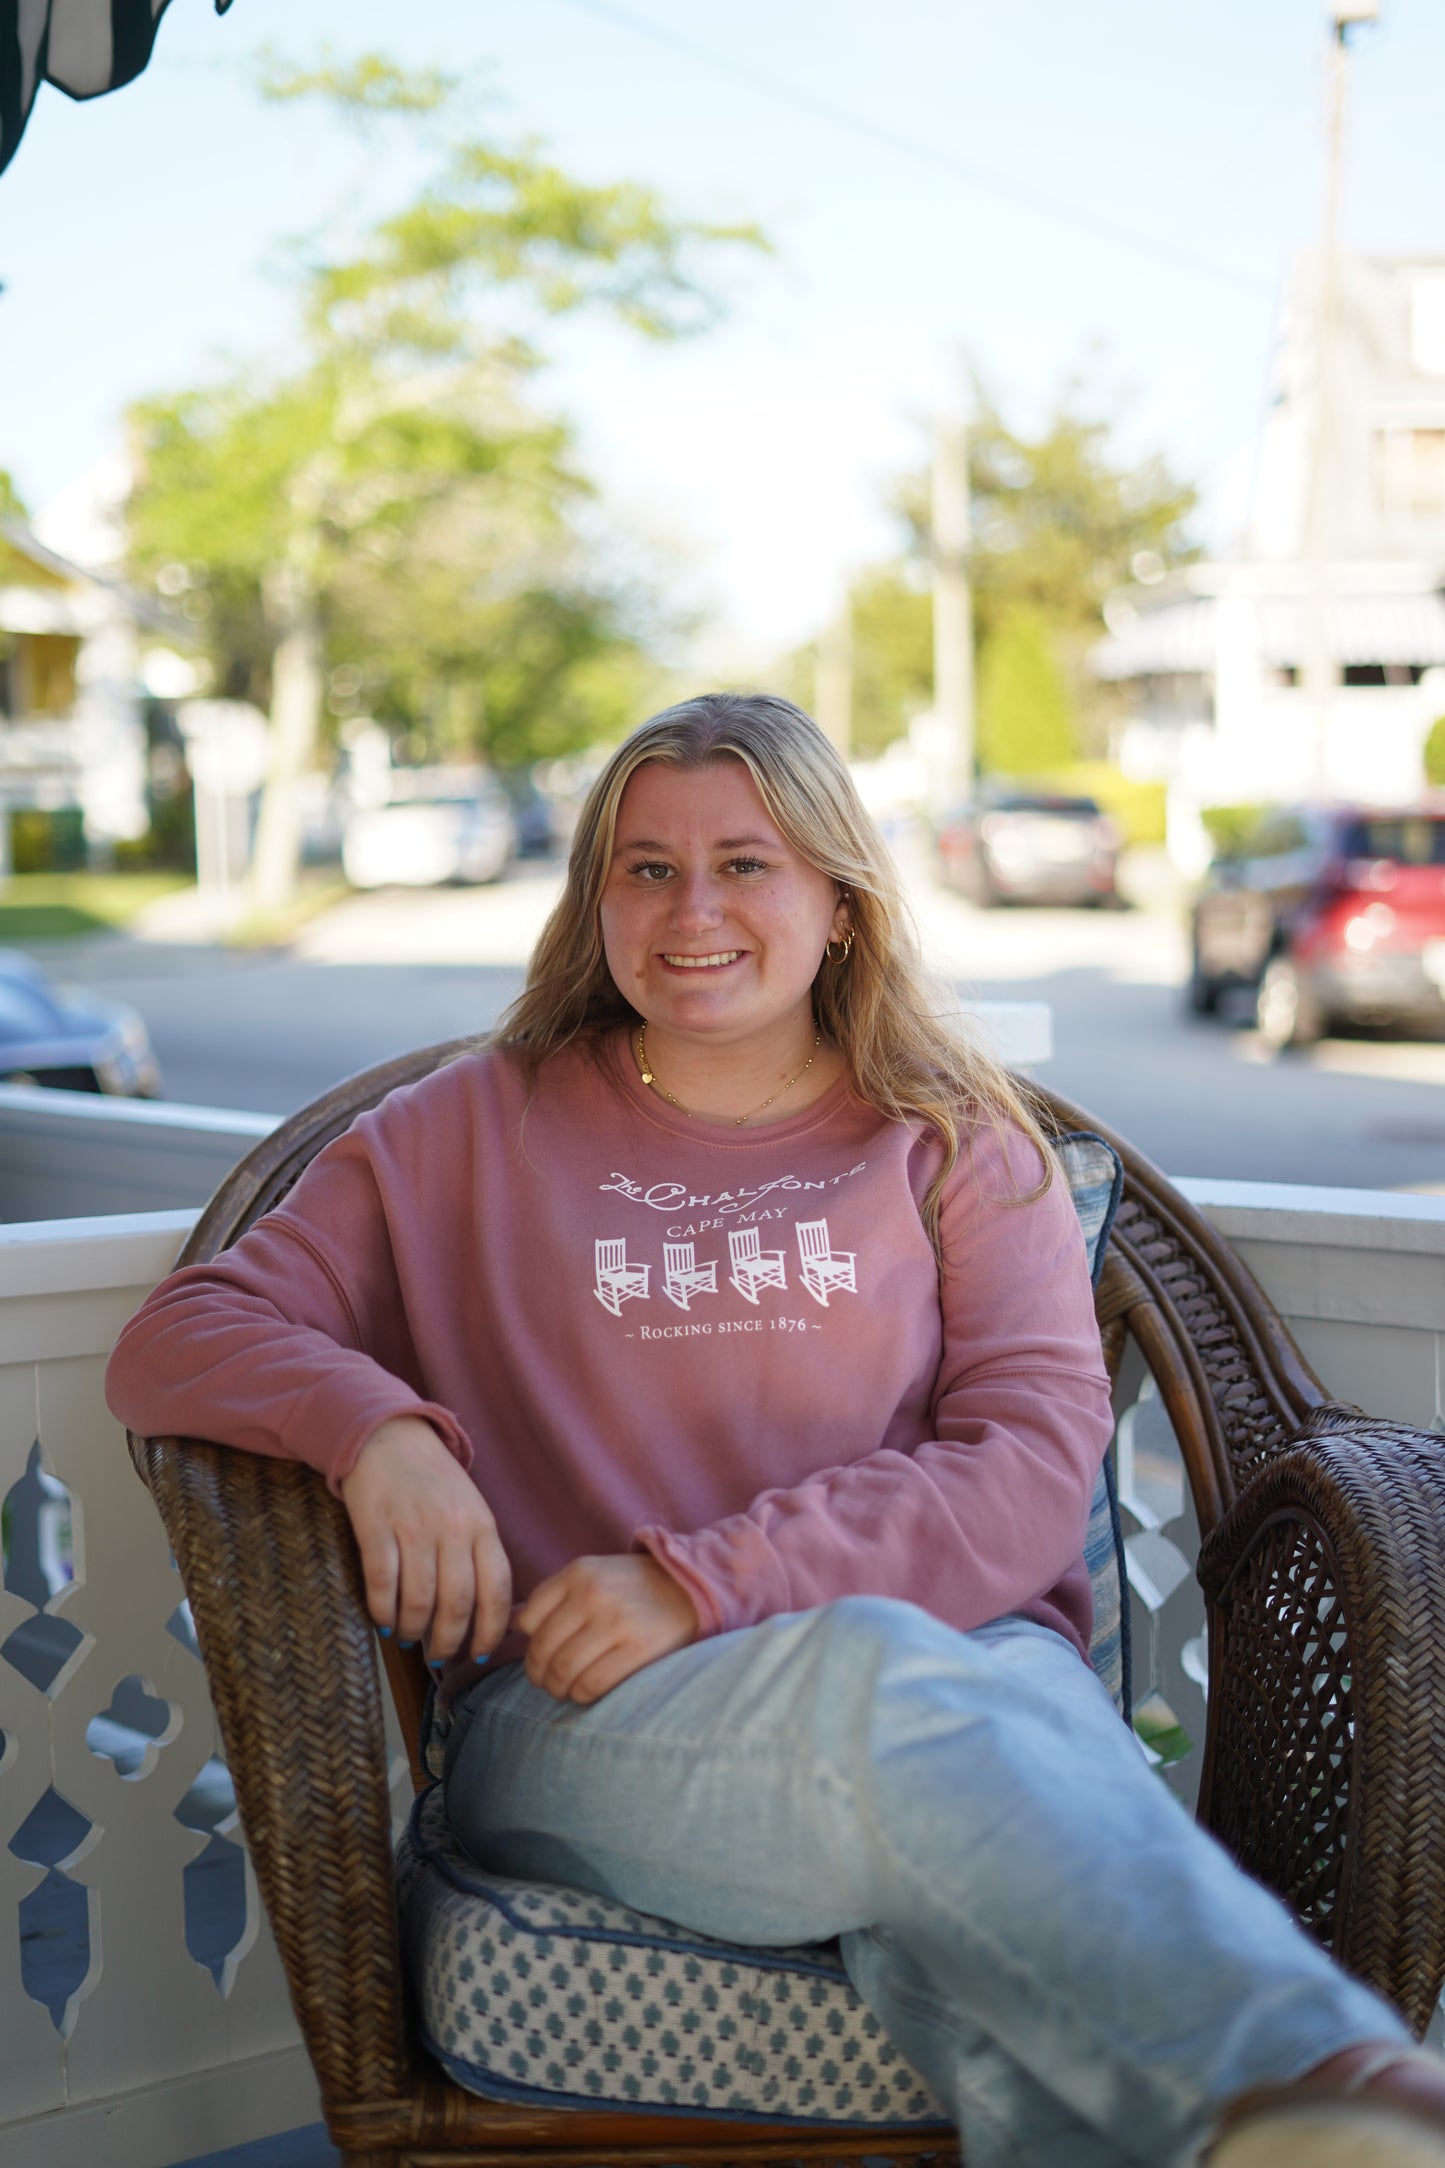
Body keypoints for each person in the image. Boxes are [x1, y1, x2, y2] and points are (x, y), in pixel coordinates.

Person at [107, 692, 1445, 2167]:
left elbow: (1021, 1482)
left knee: (974, 1948)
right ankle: (1331, 2084)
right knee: (918, 1710)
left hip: (973, 1687)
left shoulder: (953, 1143)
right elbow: (183, 1336)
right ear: (594, 897)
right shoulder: (458, 1132)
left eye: (746, 864)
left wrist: (701, 1577)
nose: (693, 910)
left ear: (840, 902)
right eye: (646, 867)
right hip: (585, 1716)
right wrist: (377, 1430)